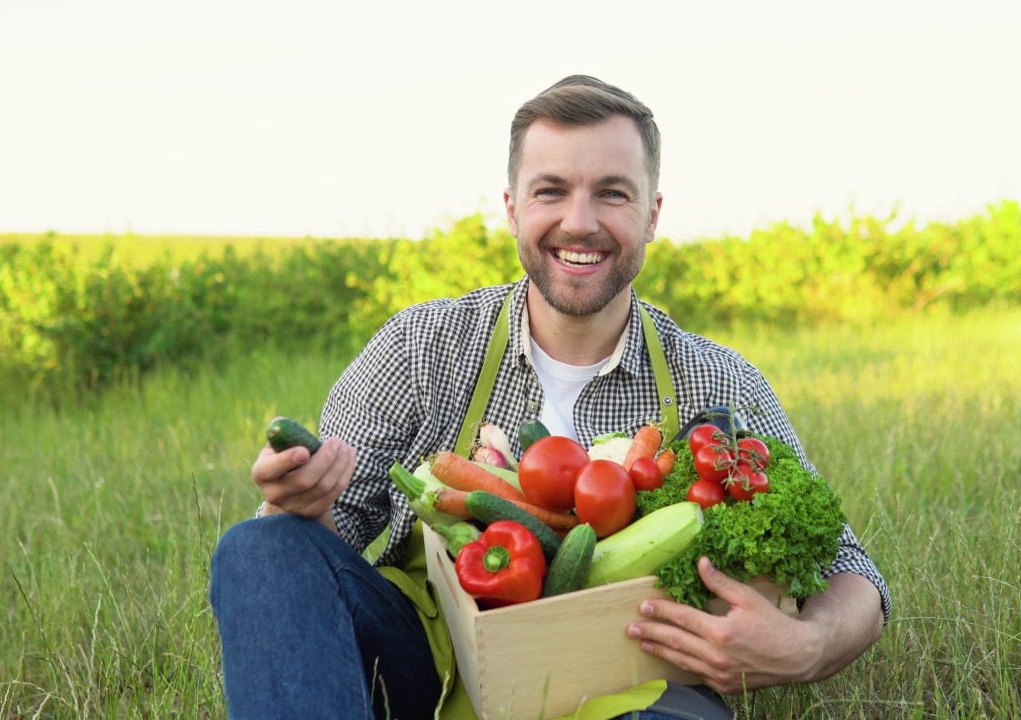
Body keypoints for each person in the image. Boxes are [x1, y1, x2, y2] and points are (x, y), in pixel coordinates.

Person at [208, 75, 891, 720]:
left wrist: (807, 648)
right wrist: (291, 506)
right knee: (258, 549)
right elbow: (322, 553)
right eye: (551, 191)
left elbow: (850, 571)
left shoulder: (718, 383)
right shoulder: (424, 348)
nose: (579, 222)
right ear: (512, 208)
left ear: (652, 215)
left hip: (634, 678)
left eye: (613, 194)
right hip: (430, 662)